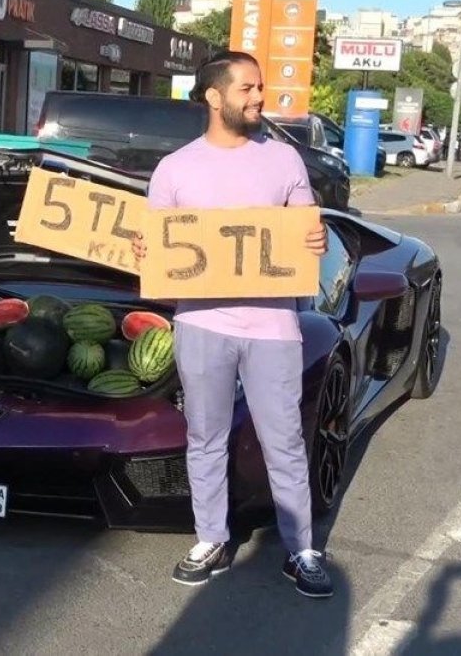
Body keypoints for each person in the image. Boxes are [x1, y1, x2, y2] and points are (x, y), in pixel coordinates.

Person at [131, 51, 332, 598]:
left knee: (284, 440)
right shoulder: (174, 169)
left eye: (260, 87)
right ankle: (211, 539)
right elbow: (158, 255)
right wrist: (145, 249)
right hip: (201, 323)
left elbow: (306, 236)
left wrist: (316, 239)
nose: (259, 98)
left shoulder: (284, 162)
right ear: (214, 96)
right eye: (247, 88)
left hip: (272, 327)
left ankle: (301, 550)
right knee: (205, 436)